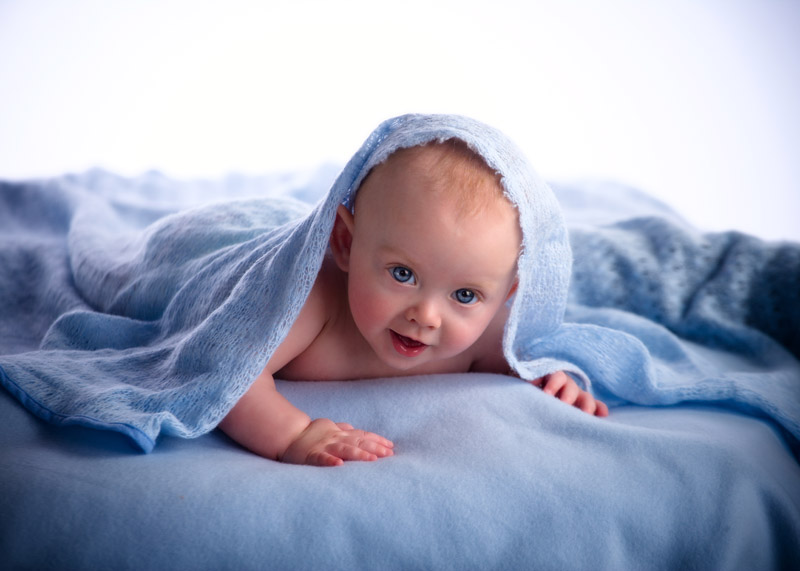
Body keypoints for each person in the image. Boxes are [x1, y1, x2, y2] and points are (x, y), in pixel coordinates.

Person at [219, 139, 608, 466]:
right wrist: (294, 436)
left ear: (506, 297)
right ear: (346, 245)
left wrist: (555, 380)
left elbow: (529, 361)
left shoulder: (487, 334)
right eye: (403, 274)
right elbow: (230, 372)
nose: (426, 316)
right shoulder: (313, 303)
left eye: (465, 295)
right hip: (230, 243)